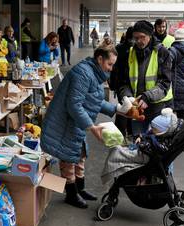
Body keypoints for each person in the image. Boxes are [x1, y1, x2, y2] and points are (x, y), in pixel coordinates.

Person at [40, 38, 137, 209]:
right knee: (68, 157)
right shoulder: (83, 74)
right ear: (100, 59)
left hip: (76, 122)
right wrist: (91, 127)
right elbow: (74, 105)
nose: (111, 68)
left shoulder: (93, 74)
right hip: (66, 121)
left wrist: (116, 109)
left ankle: (80, 188)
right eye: (110, 64)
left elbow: (94, 101)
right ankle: (71, 193)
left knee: (80, 154)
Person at [119, 20, 173, 137]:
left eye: (142, 37)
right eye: (136, 38)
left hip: (158, 107)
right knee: (138, 140)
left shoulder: (162, 53)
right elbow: (124, 81)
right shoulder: (130, 53)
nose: (138, 41)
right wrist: (127, 97)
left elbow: (164, 83)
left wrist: (147, 96)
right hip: (137, 107)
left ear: (150, 35)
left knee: (155, 142)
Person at [110, 26, 134, 137]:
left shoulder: (121, 48)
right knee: (125, 107)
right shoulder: (120, 48)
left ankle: (123, 133)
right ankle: (122, 133)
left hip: (125, 83)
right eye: (132, 38)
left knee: (127, 107)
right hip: (123, 83)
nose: (133, 41)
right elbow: (114, 68)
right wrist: (113, 84)